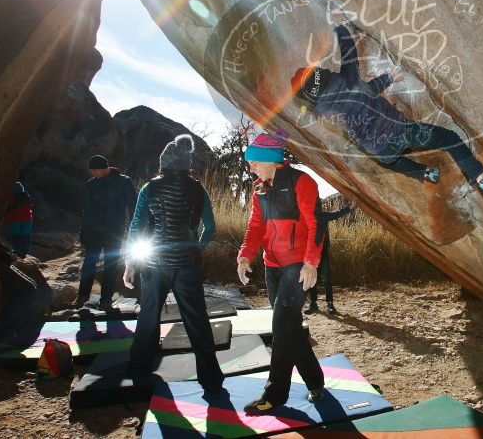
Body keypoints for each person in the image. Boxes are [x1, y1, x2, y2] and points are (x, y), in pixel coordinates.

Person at [291, 10, 483, 190]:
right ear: (321, 74)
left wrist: (386, 80)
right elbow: (349, 52)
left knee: (391, 160)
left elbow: (361, 97)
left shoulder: (322, 111)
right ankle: (479, 175)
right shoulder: (347, 81)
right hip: (399, 132)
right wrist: (338, 25)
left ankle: (426, 172)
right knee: (448, 138)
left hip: (380, 150)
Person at [123, 135, 224, 394]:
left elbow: (136, 226)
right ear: (186, 165)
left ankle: (139, 369)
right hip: (188, 263)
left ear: (164, 164)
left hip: (154, 262)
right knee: (197, 319)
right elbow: (210, 227)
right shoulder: (198, 189)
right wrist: (196, 248)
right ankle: (211, 376)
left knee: (148, 316)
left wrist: (130, 262)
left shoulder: (149, 188)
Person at [236, 131, 326, 415]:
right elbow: (256, 227)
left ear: (272, 161)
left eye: (254, 162)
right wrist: (244, 256)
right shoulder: (259, 188)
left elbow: (316, 224)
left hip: (297, 267)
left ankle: (275, 394)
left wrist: (311, 262)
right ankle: (315, 381)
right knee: (290, 326)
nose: (251, 167)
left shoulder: (302, 182)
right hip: (272, 266)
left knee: (280, 328)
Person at [74, 155, 137, 308]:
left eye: (94, 170)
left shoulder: (124, 182)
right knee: (89, 263)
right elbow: (86, 210)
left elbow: (133, 206)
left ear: (102, 168)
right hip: (93, 230)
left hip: (114, 231)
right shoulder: (91, 184)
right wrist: (83, 231)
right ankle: (82, 298)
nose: (93, 174)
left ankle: (106, 300)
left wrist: (133, 228)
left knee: (111, 266)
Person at [305, 199, 354, 315]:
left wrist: (350, 207)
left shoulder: (324, 215)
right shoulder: (306, 216)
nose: (318, 206)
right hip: (311, 253)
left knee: (326, 278)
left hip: (323, 251)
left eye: (319, 204)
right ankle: (313, 304)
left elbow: (338, 213)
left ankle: (330, 304)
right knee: (311, 278)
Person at [0, 181, 33, 259]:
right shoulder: (26, 197)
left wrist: (4, 221)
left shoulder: (13, 198)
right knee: (25, 236)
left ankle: (17, 252)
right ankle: (23, 251)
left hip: (15, 220)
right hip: (28, 220)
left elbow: (8, 210)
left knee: (16, 236)